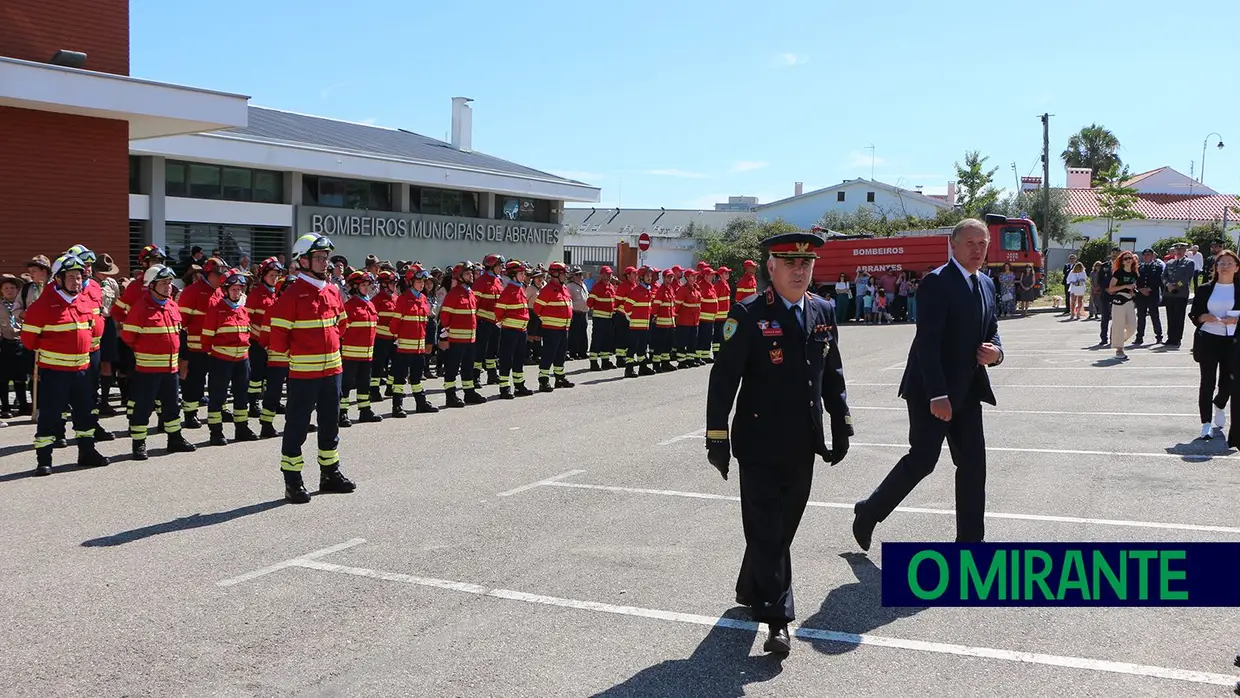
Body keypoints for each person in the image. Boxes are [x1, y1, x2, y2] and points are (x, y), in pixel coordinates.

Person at [705, 230, 852, 655]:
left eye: (806, 264)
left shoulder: (823, 310)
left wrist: (841, 424)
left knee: (780, 531)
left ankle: (751, 586)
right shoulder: (748, 314)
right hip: (758, 443)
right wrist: (717, 437)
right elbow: (723, 381)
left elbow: (833, 374)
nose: (800, 271)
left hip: (802, 444)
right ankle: (777, 620)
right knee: (769, 533)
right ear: (771, 267)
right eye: (790, 263)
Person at [853, 218, 1003, 547]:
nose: (977, 250)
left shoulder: (987, 284)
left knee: (973, 466)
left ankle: (970, 545)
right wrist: (938, 395)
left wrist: (997, 352)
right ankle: (869, 512)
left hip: (968, 390)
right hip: (930, 390)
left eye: (983, 244)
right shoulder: (937, 282)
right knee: (923, 460)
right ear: (953, 245)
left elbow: (991, 329)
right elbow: (927, 343)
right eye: (970, 243)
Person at [267, 233, 356, 504]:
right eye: (319, 257)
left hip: (333, 372)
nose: (324, 262)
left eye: (326, 257)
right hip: (304, 375)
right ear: (303, 260)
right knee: (297, 427)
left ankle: (330, 474)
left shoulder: (331, 290)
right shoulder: (292, 294)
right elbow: (279, 339)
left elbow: (342, 324)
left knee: (330, 424)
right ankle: (292, 480)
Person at [20, 254, 109, 476]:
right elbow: (29, 341)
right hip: (55, 372)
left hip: (82, 371)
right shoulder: (42, 306)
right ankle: (44, 459)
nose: (76, 282)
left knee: (85, 414)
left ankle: (87, 452)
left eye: (79, 277)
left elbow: (92, 332)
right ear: (58, 279)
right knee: (50, 415)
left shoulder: (85, 302)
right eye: (71, 277)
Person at [121, 264, 197, 459]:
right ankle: (139, 443)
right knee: (143, 407)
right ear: (151, 285)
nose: (168, 287)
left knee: (172, 406)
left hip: (170, 368)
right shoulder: (141, 307)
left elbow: (178, 334)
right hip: (148, 370)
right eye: (163, 283)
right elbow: (129, 337)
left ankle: (175, 439)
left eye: (170, 283)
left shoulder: (172, 305)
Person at [202, 267, 259, 445]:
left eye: (240, 289)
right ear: (225, 290)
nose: (237, 292)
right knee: (218, 396)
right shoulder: (216, 310)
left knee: (241, 395)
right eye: (234, 289)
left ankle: (242, 428)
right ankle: (216, 432)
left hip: (242, 360)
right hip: (221, 360)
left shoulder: (242, 310)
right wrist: (215, 356)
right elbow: (206, 338)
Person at [1191, 249, 1240, 440]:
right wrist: (1203, 316)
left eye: (1230, 263)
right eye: (1222, 263)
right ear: (1216, 267)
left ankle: (1220, 403)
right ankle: (1205, 423)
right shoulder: (1205, 289)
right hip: (1208, 339)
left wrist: (1236, 320)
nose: (1225, 266)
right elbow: (1195, 313)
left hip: (1233, 341)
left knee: (1229, 381)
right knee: (1207, 381)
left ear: (1237, 268)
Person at [389, 267, 439, 416]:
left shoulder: (423, 299)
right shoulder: (403, 299)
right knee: (399, 378)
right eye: (419, 281)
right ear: (411, 282)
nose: (422, 284)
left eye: (423, 281)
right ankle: (397, 406)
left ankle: (421, 403)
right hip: (404, 348)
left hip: (419, 348)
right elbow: (394, 325)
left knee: (417, 378)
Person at [338, 270, 382, 426]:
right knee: (346, 384)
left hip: (367, 354)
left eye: (367, 284)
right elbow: (341, 330)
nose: (366, 287)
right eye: (363, 285)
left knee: (365, 383)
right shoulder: (349, 306)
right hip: (350, 355)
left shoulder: (369, 304)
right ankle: (342, 413)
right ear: (355, 287)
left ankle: (365, 410)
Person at [438, 262, 484, 408]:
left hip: (470, 338)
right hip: (457, 339)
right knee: (452, 368)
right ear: (460, 277)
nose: (471, 275)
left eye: (471, 273)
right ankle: (450, 395)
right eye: (467, 273)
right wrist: (450, 332)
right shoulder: (454, 294)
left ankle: (469, 392)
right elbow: (445, 317)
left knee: (468, 367)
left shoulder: (469, 292)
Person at [494, 260, 535, 398]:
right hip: (510, 331)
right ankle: (504, 387)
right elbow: (499, 311)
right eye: (521, 273)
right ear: (513, 275)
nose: (524, 276)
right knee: (507, 359)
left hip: (521, 331)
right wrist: (504, 324)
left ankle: (519, 385)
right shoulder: (508, 291)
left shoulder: (520, 289)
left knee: (518, 359)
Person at [534, 261, 575, 391]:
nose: (565, 276)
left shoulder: (565, 289)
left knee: (561, 355)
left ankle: (559, 378)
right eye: (563, 274)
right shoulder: (547, 290)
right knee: (548, 355)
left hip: (564, 329)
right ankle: (543, 380)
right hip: (551, 330)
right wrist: (547, 321)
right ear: (555, 274)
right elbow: (537, 308)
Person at [1163, 242, 1196, 346]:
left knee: (1178, 317)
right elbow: (1163, 276)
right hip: (1169, 293)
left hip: (1181, 294)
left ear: (1185, 250)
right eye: (1177, 250)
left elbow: (1187, 278)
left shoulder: (1189, 263)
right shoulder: (1170, 263)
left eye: (1181, 249)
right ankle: (1170, 337)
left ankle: (1177, 338)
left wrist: (1176, 285)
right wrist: (1168, 284)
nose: (1179, 251)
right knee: (1170, 316)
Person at [586, 265, 617, 371]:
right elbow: (589, 303)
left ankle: (605, 361)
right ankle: (593, 362)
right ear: (601, 275)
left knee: (607, 341)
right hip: (599, 319)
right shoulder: (596, 287)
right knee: (597, 340)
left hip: (610, 318)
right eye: (606, 274)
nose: (608, 276)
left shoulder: (611, 286)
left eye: (610, 274)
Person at [1134, 249, 1164, 344]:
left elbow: (1159, 280)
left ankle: (1159, 336)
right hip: (1141, 295)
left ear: (1152, 256)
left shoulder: (1158, 267)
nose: (1147, 256)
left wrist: (1149, 289)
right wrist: (1141, 289)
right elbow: (1136, 281)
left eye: (1149, 255)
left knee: (1154, 316)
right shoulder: (1139, 267)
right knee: (1141, 316)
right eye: (1145, 255)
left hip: (1152, 294)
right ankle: (1139, 337)